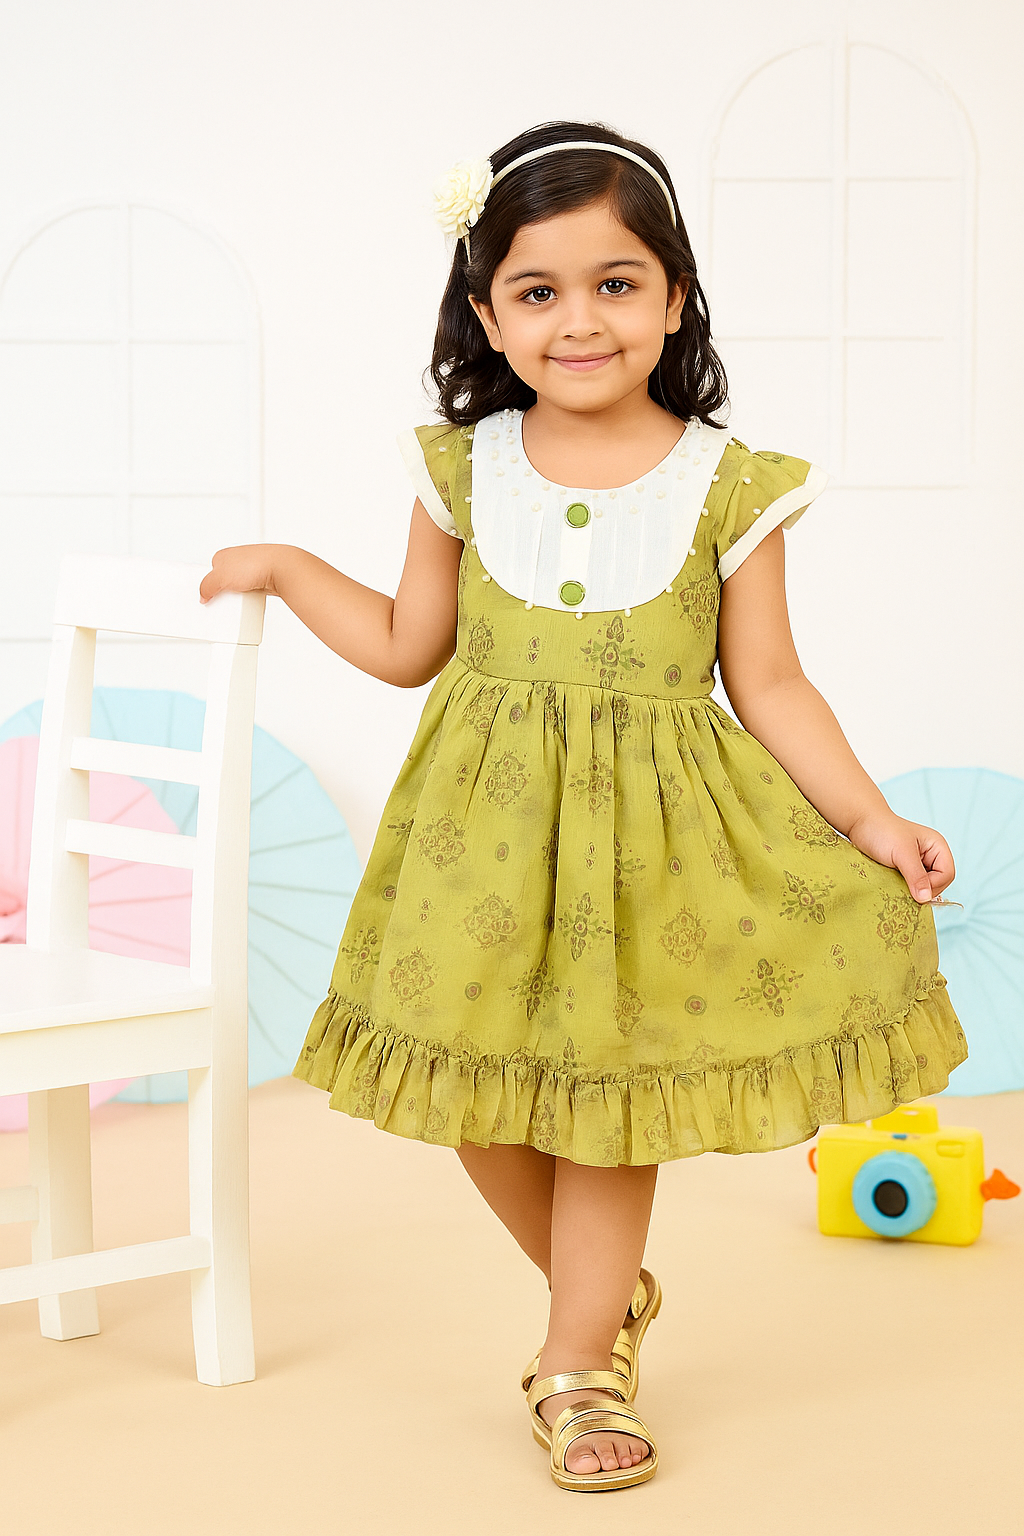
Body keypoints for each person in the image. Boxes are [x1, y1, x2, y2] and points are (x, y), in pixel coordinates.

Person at [199, 119, 967, 1493]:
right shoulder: (460, 466)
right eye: (538, 291)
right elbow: (404, 644)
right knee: (467, 1086)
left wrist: (867, 823)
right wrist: (284, 564)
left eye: (617, 283)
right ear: (487, 312)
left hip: (653, 857)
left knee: (603, 1102)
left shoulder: (730, 486)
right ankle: (601, 1294)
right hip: (474, 845)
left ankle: (577, 1365)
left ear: (674, 299)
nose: (580, 320)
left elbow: (773, 683)